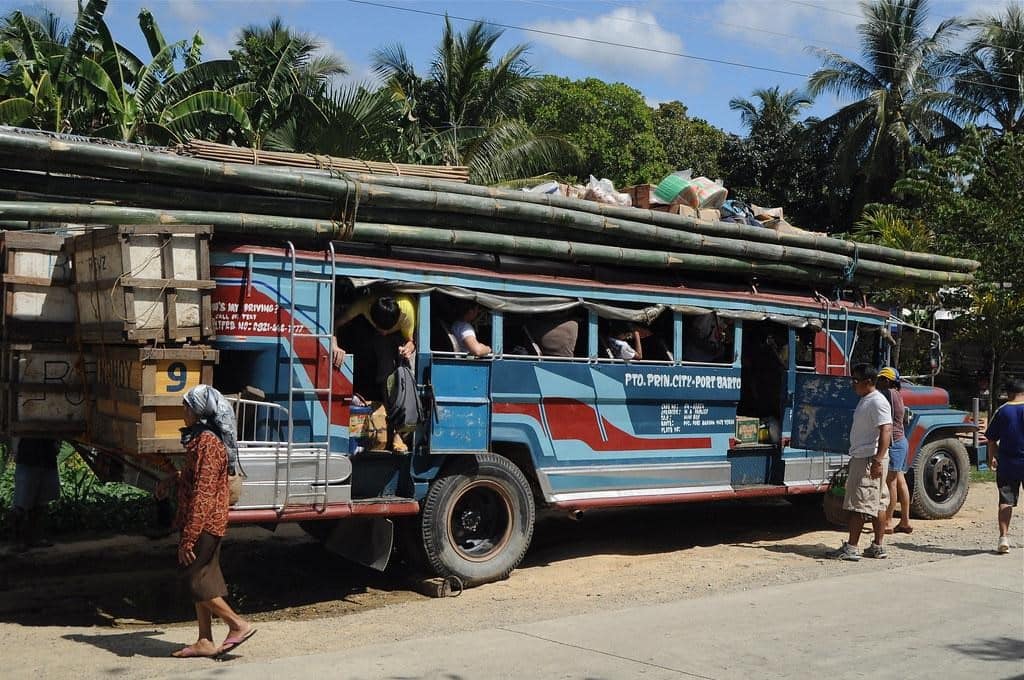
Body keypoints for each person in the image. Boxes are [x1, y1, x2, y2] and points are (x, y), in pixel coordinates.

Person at [159, 385, 255, 658]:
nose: (183, 412)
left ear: (196, 411)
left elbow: (204, 491)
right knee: (205, 580)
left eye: (185, 406)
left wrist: (189, 537)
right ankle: (204, 640)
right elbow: (197, 479)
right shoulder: (202, 439)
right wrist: (173, 480)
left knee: (193, 579)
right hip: (204, 521)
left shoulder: (208, 442)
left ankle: (237, 624)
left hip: (204, 523)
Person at [332, 293, 417, 452]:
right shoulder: (363, 304)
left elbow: (412, 341)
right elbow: (335, 323)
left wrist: (408, 348)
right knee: (386, 372)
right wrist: (334, 345)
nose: (385, 332)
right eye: (380, 329)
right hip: (378, 337)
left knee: (405, 378)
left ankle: (400, 432)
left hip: (400, 336)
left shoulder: (407, 312)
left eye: (387, 329)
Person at [830, 363, 892, 561]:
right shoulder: (867, 399)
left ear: (868, 382)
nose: (853, 384)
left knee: (860, 504)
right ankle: (877, 546)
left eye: (856, 380)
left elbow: (886, 430)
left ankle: (852, 548)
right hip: (868, 457)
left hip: (868, 458)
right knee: (878, 504)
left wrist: (877, 460)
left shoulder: (877, 402)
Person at [985, 378, 1024, 554]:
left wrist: (992, 457)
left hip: (1008, 462)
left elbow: (992, 438)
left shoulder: (1002, 411)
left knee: (1005, 500)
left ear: (1009, 393)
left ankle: (1004, 538)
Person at [878, 367, 913, 535]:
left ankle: (888, 521)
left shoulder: (888, 393)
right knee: (900, 481)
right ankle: (905, 521)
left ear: (888, 381)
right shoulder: (898, 394)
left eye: (881, 379)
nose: (878, 382)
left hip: (894, 443)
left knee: (890, 483)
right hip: (902, 441)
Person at [9, 438, 60, 552]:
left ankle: (34, 538)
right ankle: (18, 541)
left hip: (47, 457)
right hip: (28, 456)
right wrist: (16, 450)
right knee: (21, 503)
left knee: (41, 502)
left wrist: (56, 444)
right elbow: (16, 432)